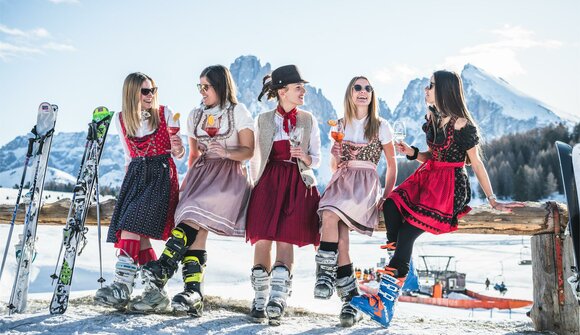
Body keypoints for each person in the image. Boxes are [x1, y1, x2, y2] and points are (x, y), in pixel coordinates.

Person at [350, 70, 525, 328]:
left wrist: (492, 199)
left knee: (408, 234)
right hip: (429, 179)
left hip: (450, 187)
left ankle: (385, 302)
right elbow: (434, 157)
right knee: (390, 204)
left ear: (444, 90)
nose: (426, 90)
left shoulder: (463, 125)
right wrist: (412, 153)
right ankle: (404, 271)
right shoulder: (433, 119)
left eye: (430, 85)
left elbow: (475, 163)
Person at [128, 65, 255, 315]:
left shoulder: (237, 112)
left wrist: (226, 152)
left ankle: (164, 265)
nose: (202, 91)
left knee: (194, 216)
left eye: (206, 87)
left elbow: (248, 151)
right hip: (201, 174)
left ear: (220, 86)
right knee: (192, 221)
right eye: (200, 87)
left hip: (229, 177)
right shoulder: (195, 115)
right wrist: (186, 184)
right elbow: (194, 154)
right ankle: (193, 291)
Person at [94, 72, 184, 309]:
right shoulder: (122, 119)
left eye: (153, 90)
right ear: (132, 93)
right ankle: (155, 294)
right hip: (135, 176)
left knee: (131, 225)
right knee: (138, 236)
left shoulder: (164, 113)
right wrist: (128, 189)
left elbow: (178, 153)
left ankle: (122, 286)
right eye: (145, 91)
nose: (151, 95)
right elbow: (127, 155)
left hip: (160, 174)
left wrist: (179, 147)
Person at [315, 76, 397, 327]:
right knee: (341, 239)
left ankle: (325, 276)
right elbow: (332, 166)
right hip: (342, 180)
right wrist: (335, 156)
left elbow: (392, 166)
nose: (363, 92)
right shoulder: (340, 125)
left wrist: (386, 195)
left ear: (372, 95)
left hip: (365, 184)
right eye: (357, 87)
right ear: (350, 94)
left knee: (329, 214)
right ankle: (350, 302)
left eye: (367, 88)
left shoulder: (381, 126)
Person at [246, 65, 321, 325]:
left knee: (286, 238)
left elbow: (316, 159)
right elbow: (256, 158)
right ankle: (259, 297)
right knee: (263, 237)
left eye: (303, 87)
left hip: (297, 181)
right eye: (298, 87)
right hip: (268, 181)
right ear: (282, 91)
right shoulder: (264, 120)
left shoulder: (308, 119)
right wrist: (256, 186)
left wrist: (305, 156)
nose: (303, 91)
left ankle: (278, 298)